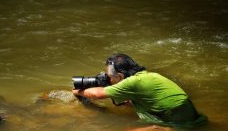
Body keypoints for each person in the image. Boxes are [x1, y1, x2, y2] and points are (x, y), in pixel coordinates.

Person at [72, 53, 207, 129]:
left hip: (179, 124)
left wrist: (77, 92)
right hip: (192, 116)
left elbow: (97, 94)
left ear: (120, 76)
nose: (108, 79)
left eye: (109, 77)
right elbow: (150, 100)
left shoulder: (131, 82)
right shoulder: (151, 75)